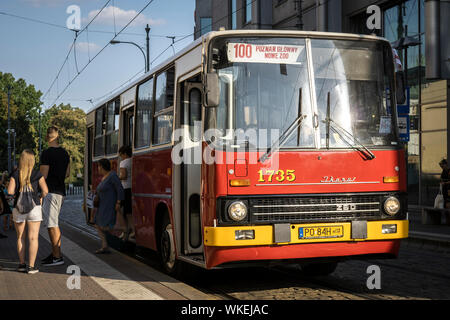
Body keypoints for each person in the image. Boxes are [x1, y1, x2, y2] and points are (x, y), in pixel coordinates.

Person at [8, 149, 49, 274]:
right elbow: (45, 191)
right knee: (33, 238)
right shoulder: (37, 174)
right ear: (33, 160)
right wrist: (40, 197)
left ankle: (21, 265)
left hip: (18, 208)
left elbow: (10, 192)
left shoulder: (15, 174)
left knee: (20, 237)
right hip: (34, 207)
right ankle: (31, 267)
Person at [40, 126, 70, 266]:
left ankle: (57, 257)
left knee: (52, 225)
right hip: (61, 191)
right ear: (58, 136)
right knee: (53, 223)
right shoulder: (65, 153)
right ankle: (54, 253)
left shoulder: (46, 153)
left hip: (50, 192)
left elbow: (43, 176)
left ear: (47, 137)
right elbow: (67, 174)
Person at [94, 158, 124, 254]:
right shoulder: (104, 177)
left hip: (109, 205)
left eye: (98, 166)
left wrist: (118, 202)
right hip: (102, 205)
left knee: (105, 226)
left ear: (102, 167)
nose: (98, 168)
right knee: (97, 224)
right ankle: (104, 246)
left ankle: (124, 229)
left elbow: (120, 189)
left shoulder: (112, 176)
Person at [118, 145, 134, 241]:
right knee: (128, 211)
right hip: (131, 188)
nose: (121, 157)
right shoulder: (133, 160)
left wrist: (116, 177)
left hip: (125, 188)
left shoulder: (123, 163)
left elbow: (123, 176)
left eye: (121, 155)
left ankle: (126, 229)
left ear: (124, 154)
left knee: (118, 208)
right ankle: (129, 230)